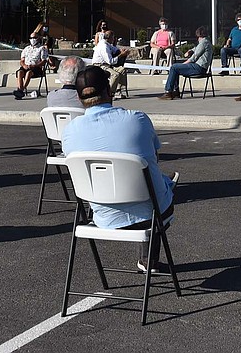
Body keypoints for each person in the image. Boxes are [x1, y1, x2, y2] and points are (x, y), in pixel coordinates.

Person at [61, 65, 177, 271]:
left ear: (79, 99)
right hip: (148, 215)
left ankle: (147, 260)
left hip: (103, 216)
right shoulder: (137, 119)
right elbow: (154, 156)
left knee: (148, 183)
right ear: (109, 91)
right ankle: (148, 260)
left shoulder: (69, 131)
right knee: (157, 184)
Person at [159, 27, 212, 100]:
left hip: (199, 68)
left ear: (200, 35)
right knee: (176, 68)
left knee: (174, 67)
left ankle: (168, 91)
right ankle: (175, 91)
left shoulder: (203, 42)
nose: (197, 39)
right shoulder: (206, 42)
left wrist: (184, 63)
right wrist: (190, 51)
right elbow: (196, 49)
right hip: (201, 67)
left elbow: (194, 58)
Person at [91, 30, 131, 98]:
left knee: (122, 70)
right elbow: (111, 61)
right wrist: (121, 55)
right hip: (100, 65)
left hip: (107, 65)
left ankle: (119, 90)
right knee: (115, 75)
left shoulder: (107, 44)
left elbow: (115, 49)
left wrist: (121, 51)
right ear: (109, 38)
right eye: (113, 38)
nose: (114, 39)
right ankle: (109, 93)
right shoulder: (104, 47)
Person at [14, 34, 50, 100]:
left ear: (38, 38)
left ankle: (21, 90)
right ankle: (20, 89)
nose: (33, 39)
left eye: (34, 37)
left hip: (36, 68)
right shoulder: (26, 48)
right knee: (19, 72)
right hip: (26, 66)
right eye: (31, 38)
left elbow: (44, 61)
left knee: (29, 73)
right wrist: (24, 65)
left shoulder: (42, 48)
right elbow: (22, 60)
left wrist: (35, 65)